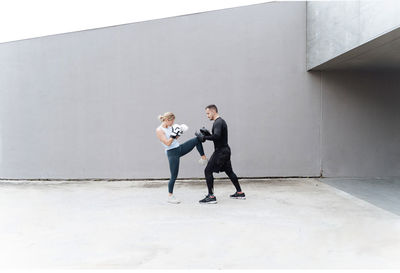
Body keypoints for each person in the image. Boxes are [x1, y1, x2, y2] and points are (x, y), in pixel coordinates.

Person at [196, 105, 245, 204]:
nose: (207, 115)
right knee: (229, 172)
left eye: (208, 113)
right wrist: (207, 134)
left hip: (221, 151)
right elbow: (218, 137)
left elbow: (217, 136)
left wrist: (204, 137)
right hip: (225, 150)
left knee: (208, 171)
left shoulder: (218, 122)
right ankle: (239, 192)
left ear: (213, 112)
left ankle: (211, 196)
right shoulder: (220, 122)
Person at [156, 112, 208, 204]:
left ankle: (203, 158)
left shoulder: (170, 127)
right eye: (172, 122)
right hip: (172, 153)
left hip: (179, 148)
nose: (173, 124)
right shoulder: (159, 130)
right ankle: (170, 196)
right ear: (167, 120)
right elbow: (167, 143)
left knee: (197, 140)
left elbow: (175, 139)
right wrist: (173, 135)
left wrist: (179, 133)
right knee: (174, 176)